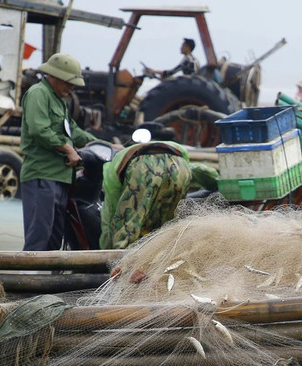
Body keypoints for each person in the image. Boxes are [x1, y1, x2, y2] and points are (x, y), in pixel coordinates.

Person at [20, 52, 97, 251]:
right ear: (53, 76)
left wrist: (104, 145)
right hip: (42, 176)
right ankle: (26, 272)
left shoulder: (60, 101)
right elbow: (39, 129)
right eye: (68, 82)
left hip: (61, 179)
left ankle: (49, 274)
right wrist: (68, 149)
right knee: (38, 240)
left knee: (54, 242)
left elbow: (74, 132)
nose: (71, 88)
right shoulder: (38, 93)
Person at [99, 130, 218, 249]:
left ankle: (120, 258)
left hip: (142, 167)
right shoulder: (174, 154)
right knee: (168, 229)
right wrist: (218, 183)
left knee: (128, 228)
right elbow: (201, 172)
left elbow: (111, 213)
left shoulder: (111, 167)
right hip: (179, 165)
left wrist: (107, 247)